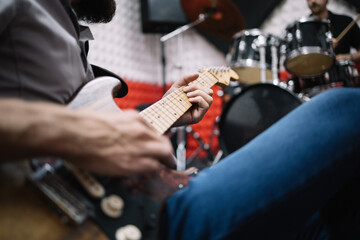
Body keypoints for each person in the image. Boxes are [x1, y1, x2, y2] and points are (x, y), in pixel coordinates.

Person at [0, 1, 360, 240]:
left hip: (121, 203)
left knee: (318, 222)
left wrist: (167, 110)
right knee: (344, 109)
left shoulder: (67, 29)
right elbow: (80, 134)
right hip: (87, 220)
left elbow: (90, 134)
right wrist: (70, 132)